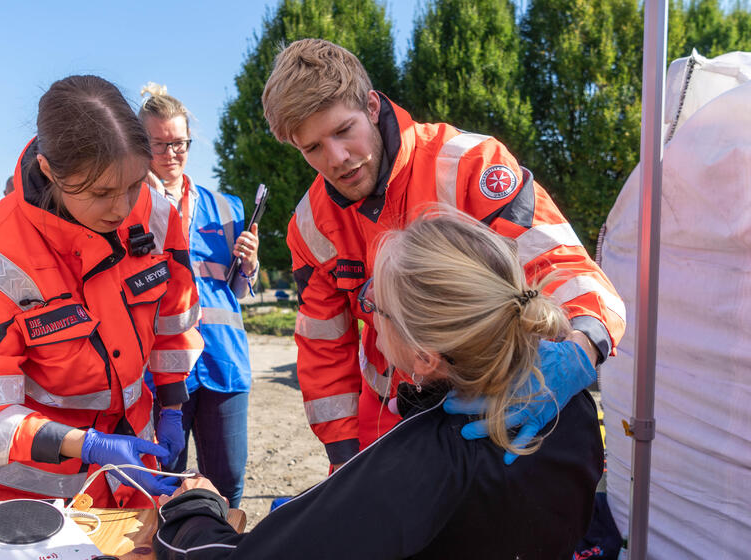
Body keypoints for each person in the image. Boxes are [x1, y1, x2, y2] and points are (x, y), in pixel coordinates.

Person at [152, 208, 604, 559]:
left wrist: (193, 511)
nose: (369, 315)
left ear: (424, 357)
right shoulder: (570, 403)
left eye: (376, 307)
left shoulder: (424, 458)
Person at [261, 39, 626, 469]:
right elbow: (325, 348)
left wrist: (581, 348)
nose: (337, 158)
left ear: (373, 107)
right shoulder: (311, 226)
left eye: (344, 131)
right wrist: (344, 458)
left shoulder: (470, 163)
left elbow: (558, 263)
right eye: (313, 148)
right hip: (393, 420)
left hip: (507, 403)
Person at [0, 75, 204, 508]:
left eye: (134, 184)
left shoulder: (155, 215)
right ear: (49, 171)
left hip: (132, 477)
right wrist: (86, 444)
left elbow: (174, 321)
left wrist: (171, 403)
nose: (121, 208)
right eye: (101, 192)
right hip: (29, 504)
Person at [138, 83, 259, 508]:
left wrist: (249, 265)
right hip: (161, 371)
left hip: (224, 363)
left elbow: (237, 289)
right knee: (161, 483)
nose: (172, 153)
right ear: (140, 144)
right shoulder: (127, 208)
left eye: (180, 143)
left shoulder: (227, 207)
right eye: (160, 144)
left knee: (227, 484)